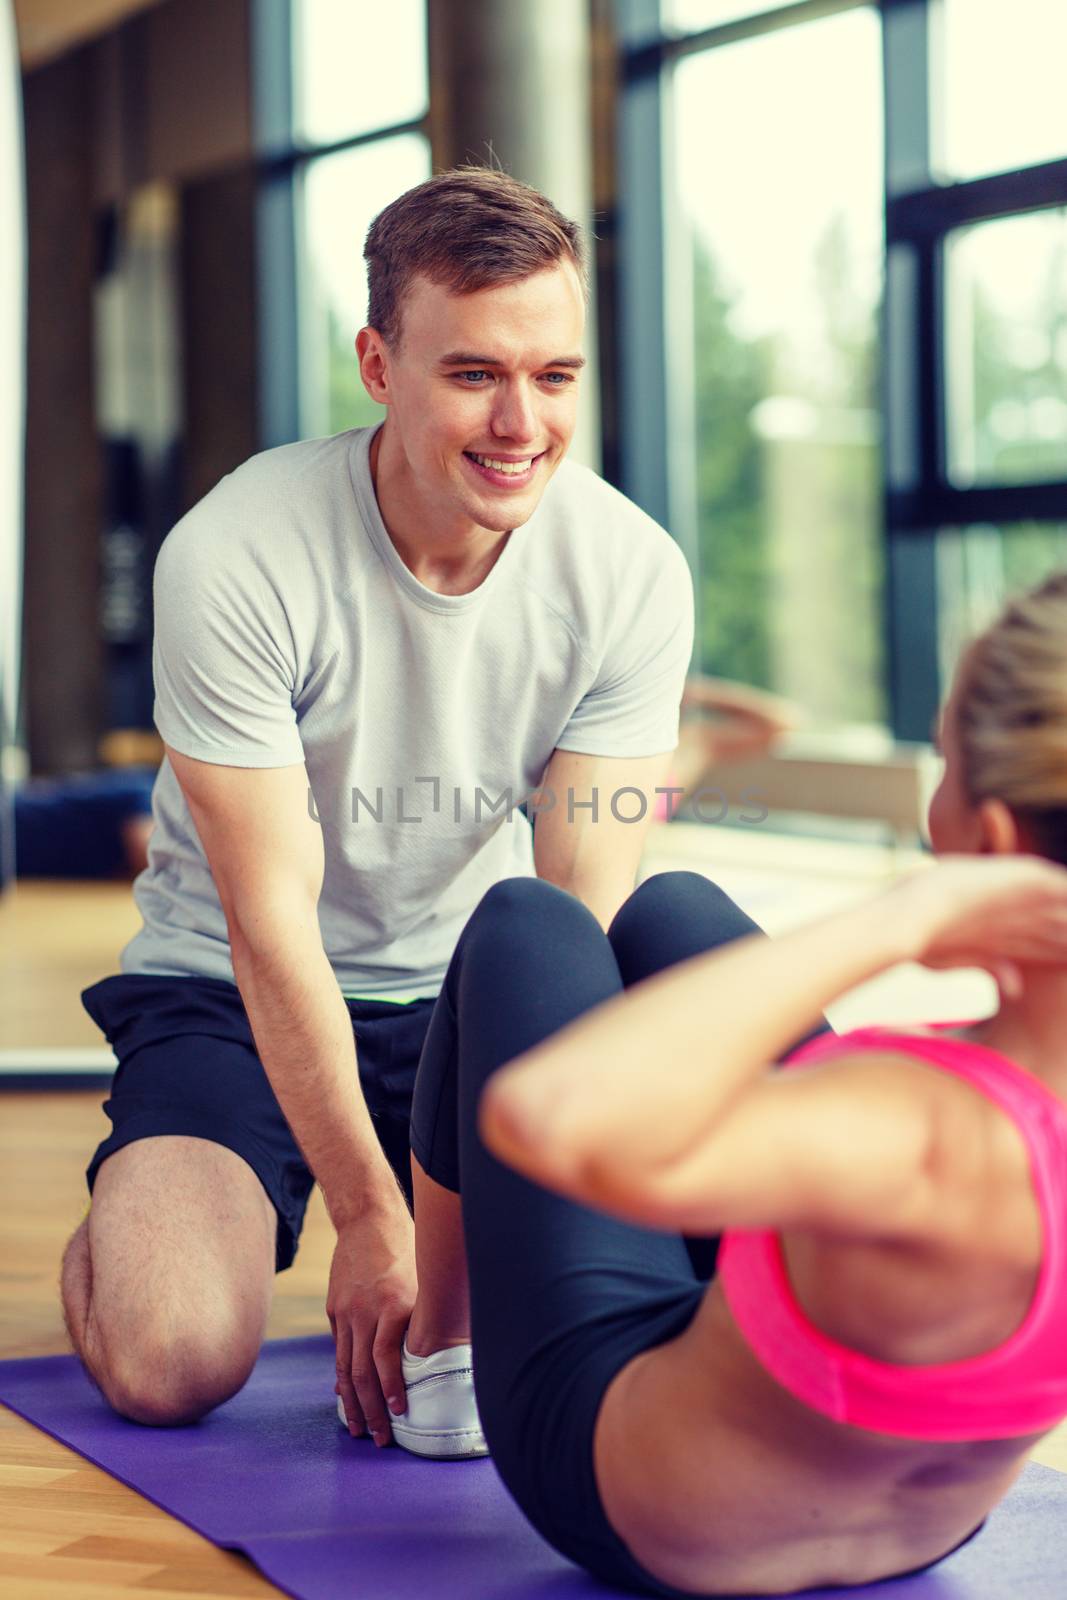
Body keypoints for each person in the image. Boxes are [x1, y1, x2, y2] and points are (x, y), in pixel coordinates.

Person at [60, 166, 694, 1447]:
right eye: (472, 374)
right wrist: (369, 1212)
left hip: (469, 1002)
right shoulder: (237, 553)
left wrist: (474, 1223)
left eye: (555, 376)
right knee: (170, 1359)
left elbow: (575, 913)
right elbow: (267, 921)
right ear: (377, 363)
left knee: (591, 1314)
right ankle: (147, 1207)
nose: (521, 422)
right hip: (231, 990)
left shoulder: (629, 572)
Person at [400, 571, 1067, 1595]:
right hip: (924, 1522)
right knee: (676, 907)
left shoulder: (913, 1120)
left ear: (990, 840)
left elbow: (546, 1113)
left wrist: (899, 918)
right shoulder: (912, 1129)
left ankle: (436, 1356)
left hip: (647, 1509)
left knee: (529, 924)